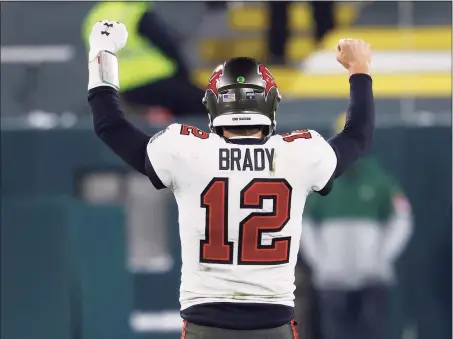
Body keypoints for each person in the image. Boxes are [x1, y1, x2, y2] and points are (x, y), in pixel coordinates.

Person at [87, 21, 374, 339]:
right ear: (270, 103)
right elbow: (357, 136)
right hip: (272, 326)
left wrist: (102, 51)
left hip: (206, 326)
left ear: (213, 104)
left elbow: (110, 125)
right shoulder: (298, 154)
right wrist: (359, 70)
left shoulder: (186, 150)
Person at [299, 112, 413, 339]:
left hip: (372, 279)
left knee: (371, 332)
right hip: (331, 280)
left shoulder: (380, 179)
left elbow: (402, 220)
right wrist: (321, 261)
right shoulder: (321, 181)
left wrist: (382, 257)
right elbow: (305, 225)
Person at [82, 2, 205, 124]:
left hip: (121, 88)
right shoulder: (135, 12)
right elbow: (166, 44)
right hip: (155, 79)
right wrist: (186, 75)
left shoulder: (94, 17)